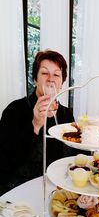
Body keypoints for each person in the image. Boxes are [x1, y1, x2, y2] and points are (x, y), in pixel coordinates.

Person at [0, 49, 76, 195]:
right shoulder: (14, 110)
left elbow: (76, 153)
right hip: (20, 190)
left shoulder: (66, 114)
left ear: (62, 82)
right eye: (44, 73)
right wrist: (35, 124)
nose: (50, 79)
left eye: (56, 74)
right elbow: (5, 161)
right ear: (35, 78)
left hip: (60, 190)